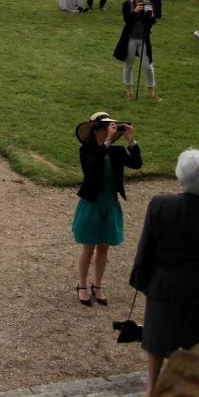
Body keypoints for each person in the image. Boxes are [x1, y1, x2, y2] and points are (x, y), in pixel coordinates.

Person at [129, 148, 199, 396]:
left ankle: (152, 388)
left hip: (163, 283)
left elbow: (146, 245)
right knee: (192, 342)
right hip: (198, 287)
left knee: (157, 339)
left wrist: (140, 277)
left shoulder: (160, 204)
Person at [73, 112, 142, 308]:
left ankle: (98, 285)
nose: (109, 130)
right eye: (105, 127)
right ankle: (82, 285)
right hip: (93, 204)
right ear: (96, 130)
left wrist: (131, 142)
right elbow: (92, 167)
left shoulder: (117, 152)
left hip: (110, 204)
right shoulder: (86, 151)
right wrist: (107, 143)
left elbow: (137, 164)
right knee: (88, 248)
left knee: (104, 248)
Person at [116, 0, 157, 101]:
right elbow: (127, 20)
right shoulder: (127, 4)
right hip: (130, 39)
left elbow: (151, 23)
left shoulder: (148, 5)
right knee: (128, 64)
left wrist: (150, 15)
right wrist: (135, 11)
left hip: (143, 39)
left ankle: (151, 90)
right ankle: (128, 89)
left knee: (148, 66)